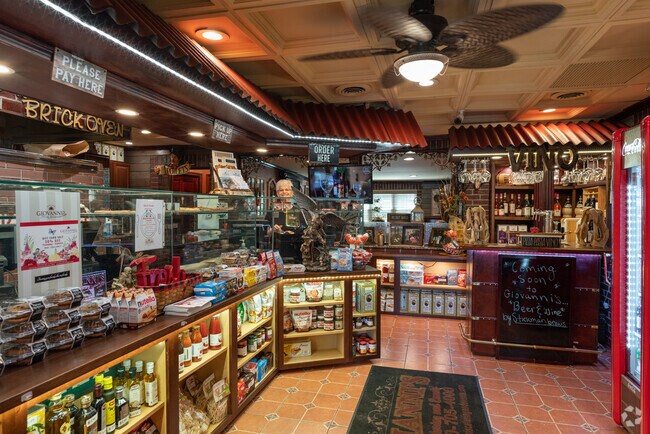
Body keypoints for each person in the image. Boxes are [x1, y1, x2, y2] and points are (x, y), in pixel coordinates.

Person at [266, 179, 306, 263]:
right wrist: (273, 230)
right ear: (277, 193)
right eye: (281, 190)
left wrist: (294, 233)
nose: (284, 192)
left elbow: (305, 229)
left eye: (287, 189)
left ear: (292, 193)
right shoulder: (272, 210)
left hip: (296, 249)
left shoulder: (299, 210)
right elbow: (266, 231)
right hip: (277, 249)